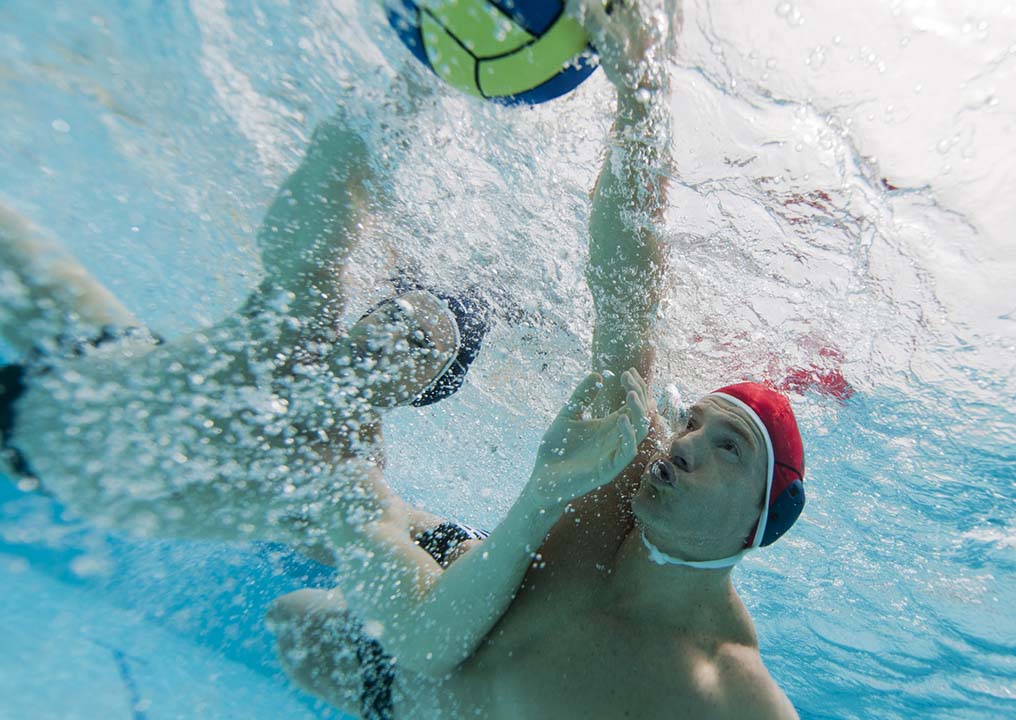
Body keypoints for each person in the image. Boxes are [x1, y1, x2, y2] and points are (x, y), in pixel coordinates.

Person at [267, 2, 804, 719]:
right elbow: (627, 296)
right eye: (695, 423)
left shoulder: (729, 694)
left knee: (299, 626)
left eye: (728, 447)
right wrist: (641, 93)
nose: (685, 443)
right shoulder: (624, 465)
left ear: (759, 523)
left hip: (405, 697)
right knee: (293, 561)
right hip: (482, 589)